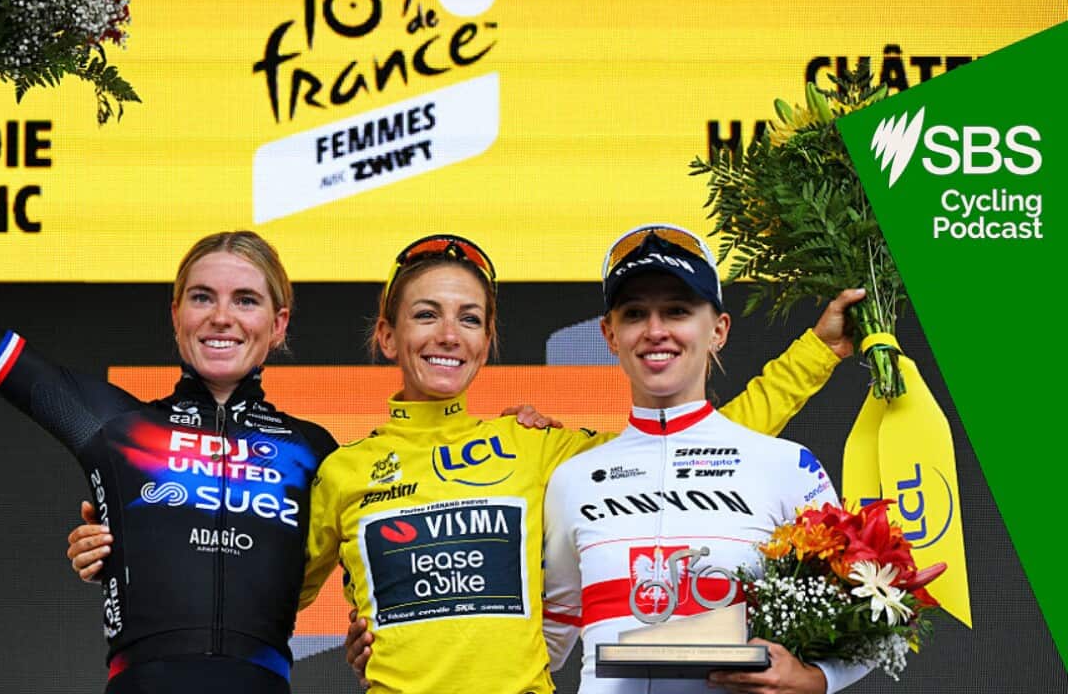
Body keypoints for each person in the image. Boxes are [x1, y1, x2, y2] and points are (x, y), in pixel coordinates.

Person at [0, 71, 339, 694]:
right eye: (202, 297)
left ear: (278, 325)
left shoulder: (317, 452)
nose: (221, 316)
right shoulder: (111, 425)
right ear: (176, 314)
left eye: (245, 300)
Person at [291, 234, 861, 694]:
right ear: (388, 336)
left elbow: (700, 446)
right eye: (425, 314)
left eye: (469, 318)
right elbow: (265, 598)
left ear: (487, 341)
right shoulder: (343, 471)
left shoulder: (533, 445)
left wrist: (815, 352)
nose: (448, 335)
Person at [541, 224, 869, 694]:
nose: (655, 331)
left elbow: (873, 613)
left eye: (677, 311)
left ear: (718, 330)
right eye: (635, 314)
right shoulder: (572, 479)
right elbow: (546, 642)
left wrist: (817, 679)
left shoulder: (786, 465)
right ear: (610, 335)